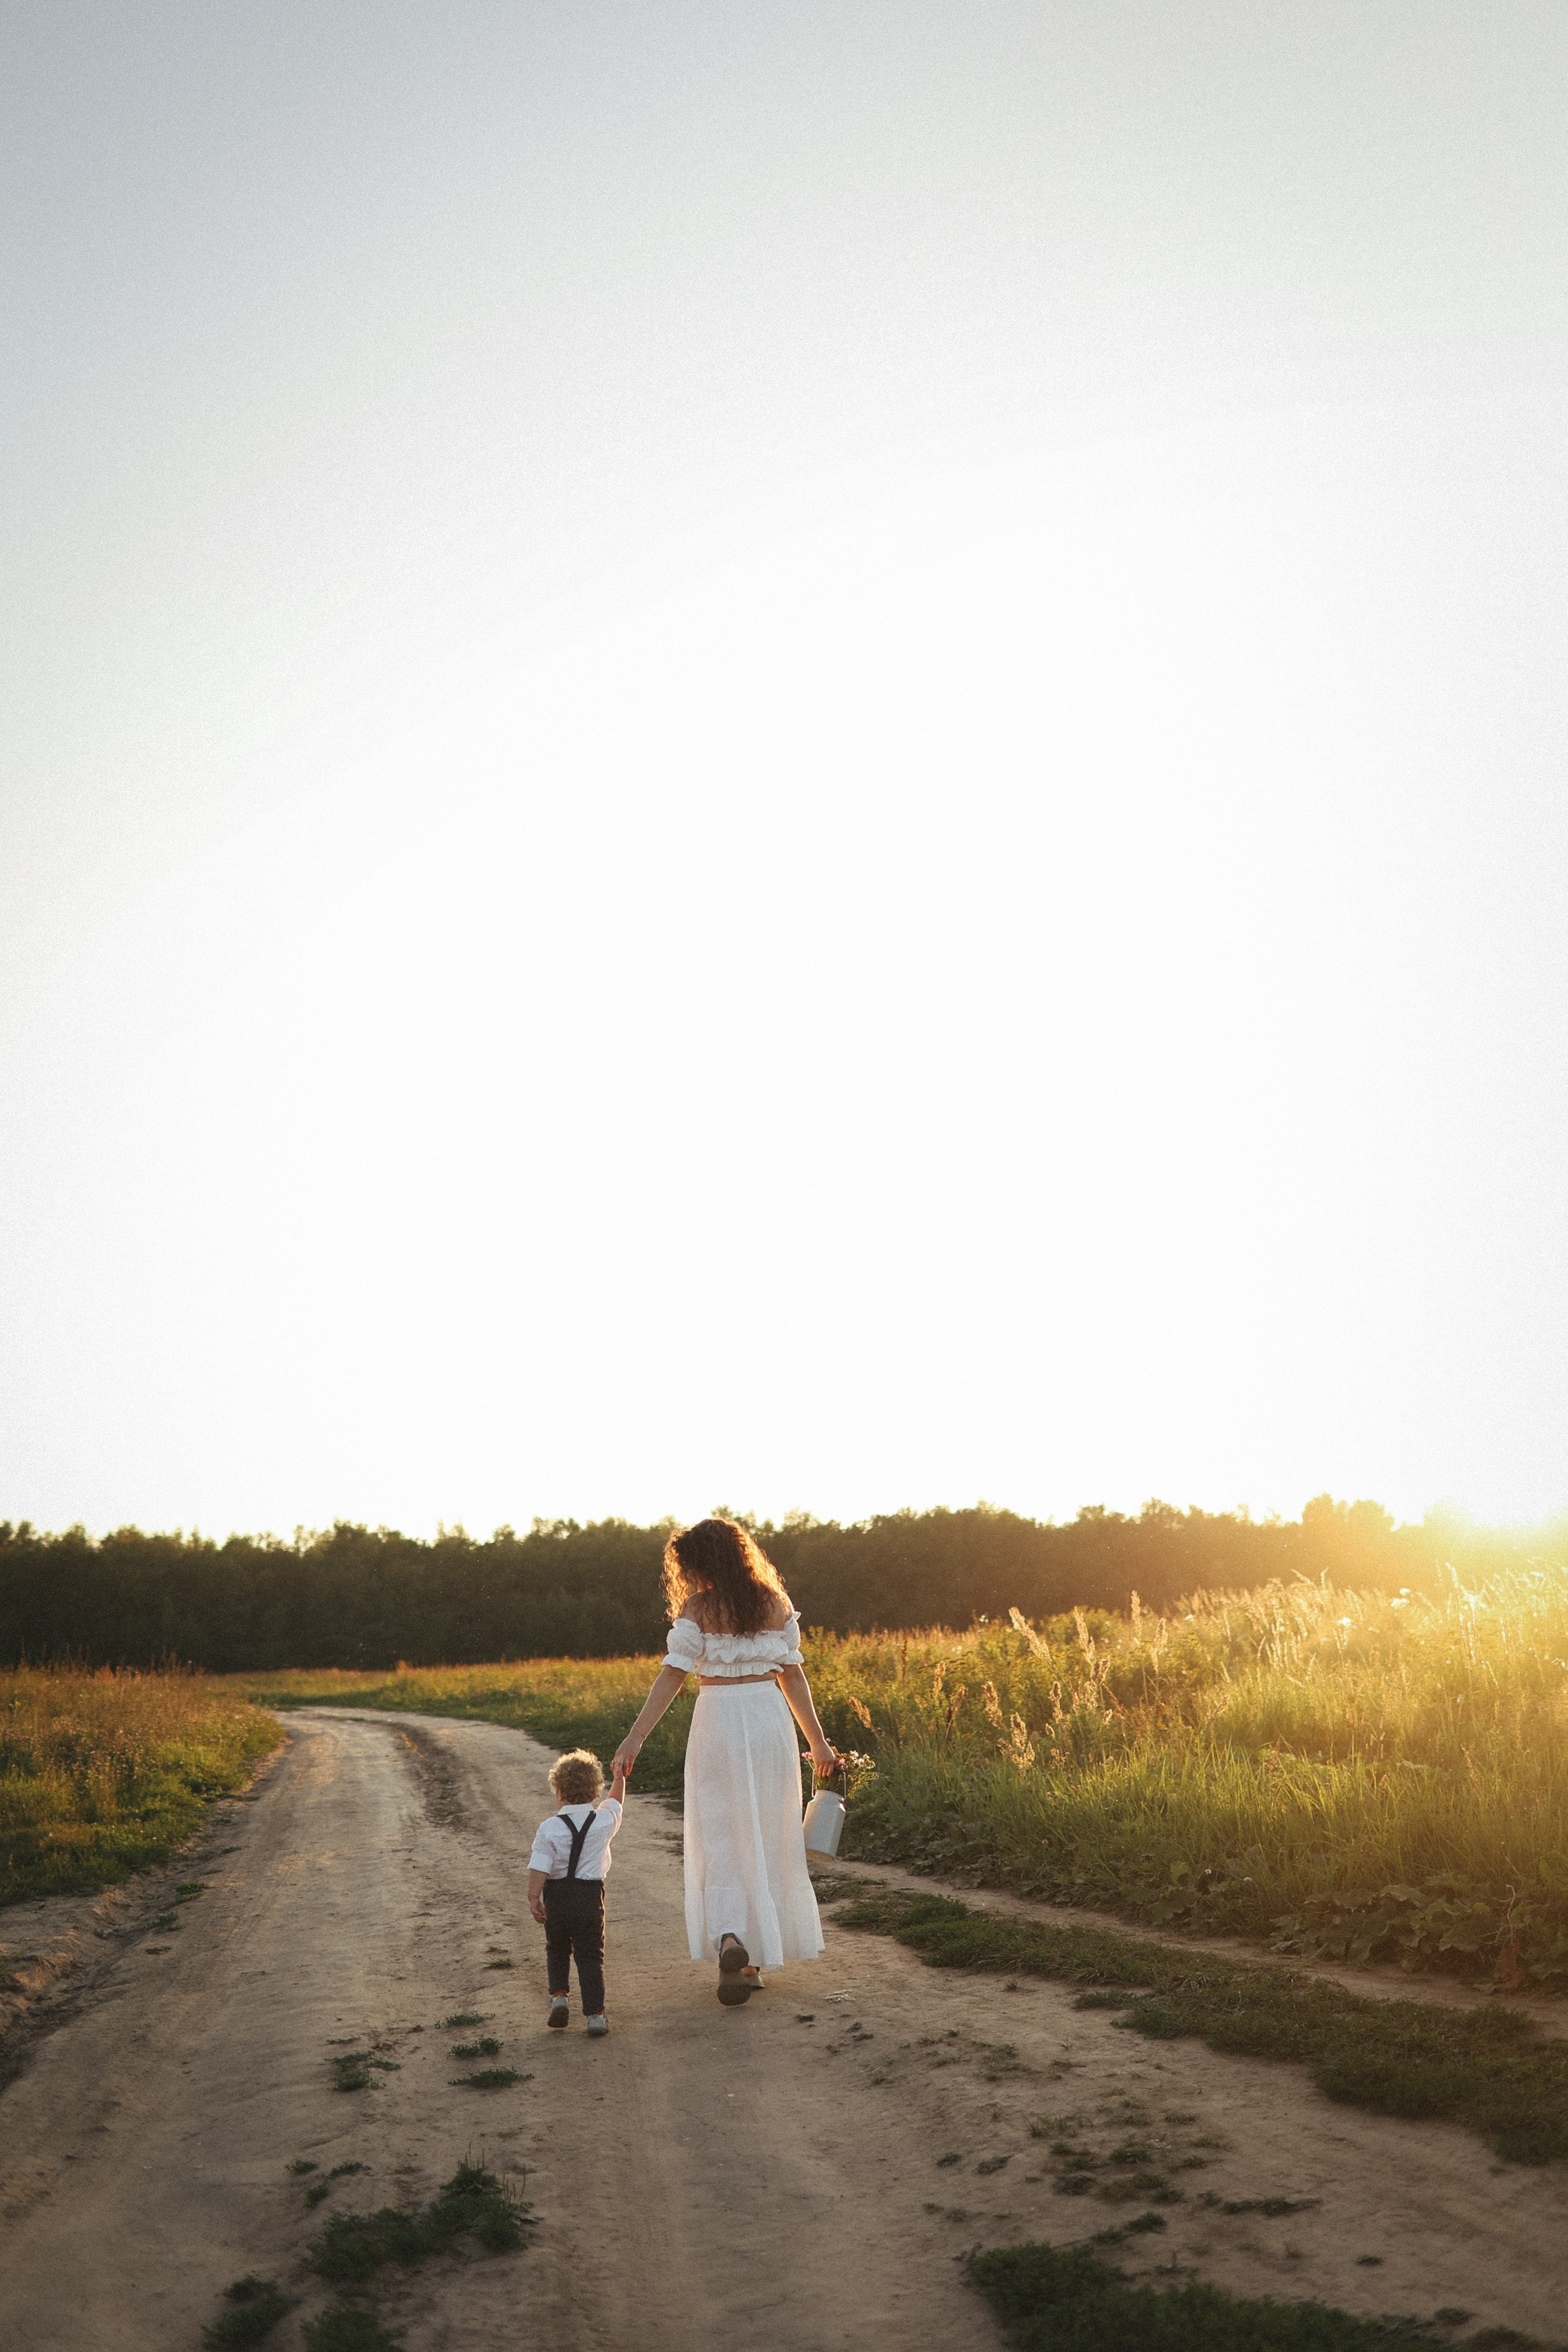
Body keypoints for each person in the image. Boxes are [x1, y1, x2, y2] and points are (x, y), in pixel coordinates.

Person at [612, 1516, 844, 2005]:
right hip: (768, 1720)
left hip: (717, 1718)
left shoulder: (697, 1608)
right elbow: (794, 1678)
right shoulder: (774, 1603)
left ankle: (731, 1938)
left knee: (721, 1835)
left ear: (699, 1565)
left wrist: (635, 1738)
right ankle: (753, 1960)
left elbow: (673, 1675)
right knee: (768, 1833)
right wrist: (818, 1743)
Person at [527, 1747, 626, 2038]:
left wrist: (534, 1897)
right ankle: (596, 2015)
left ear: (559, 1792)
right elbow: (616, 1802)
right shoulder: (604, 1821)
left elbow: (540, 1866)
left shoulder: (549, 1828)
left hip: (556, 1897)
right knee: (590, 1956)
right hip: (589, 1896)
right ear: (595, 1790)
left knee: (557, 1948)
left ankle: (559, 1997)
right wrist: (620, 1776)